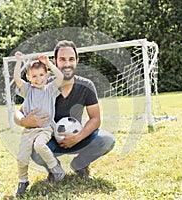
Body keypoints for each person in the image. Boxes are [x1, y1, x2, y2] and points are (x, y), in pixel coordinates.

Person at [14, 40, 115, 184]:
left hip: (77, 135)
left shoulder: (86, 85)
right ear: (54, 61)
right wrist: (24, 121)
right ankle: (54, 170)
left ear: (77, 61)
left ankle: (79, 165)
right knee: (36, 151)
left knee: (107, 140)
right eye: (62, 59)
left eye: (71, 59)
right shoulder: (43, 86)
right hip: (50, 138)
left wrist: (78, 136)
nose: (67, 63)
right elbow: (18, 113)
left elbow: (95, 119)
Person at [13, 52, 65, 196]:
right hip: (29, 130)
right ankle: (23, 181)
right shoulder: (28, 90)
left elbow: (60, 77)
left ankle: (56, 170)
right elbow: (17, 78)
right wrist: (19, 61)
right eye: (34, 76)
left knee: (39, 145)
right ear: (29, 78)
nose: (38, 79)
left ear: (46, 75)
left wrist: (48, 63)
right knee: (21, 157)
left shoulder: (50, 90)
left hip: (45, 128)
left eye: (41, 75)